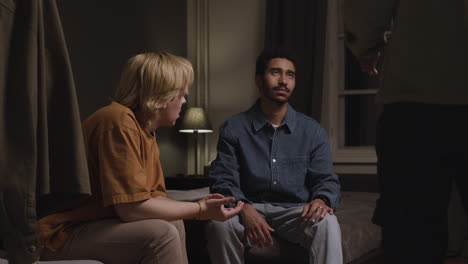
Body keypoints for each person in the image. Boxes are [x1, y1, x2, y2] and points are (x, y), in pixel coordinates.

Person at [36, 52, 244, 264]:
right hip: (58, 235)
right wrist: (199, 210)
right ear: (163, 95)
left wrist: (200, 206)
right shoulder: (118, 121)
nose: (183, 101)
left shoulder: (144, 130)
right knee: (161, 234)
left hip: (92, 225)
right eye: (181, 94)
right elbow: (131, 209)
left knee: (174, 223)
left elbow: (153, 200)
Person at [343, 1, 468, 263]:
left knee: (413, 237)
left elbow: (365, 10)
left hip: (417, 99)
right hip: (418, 102)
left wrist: (365, 46)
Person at [205, 49, 342, 264]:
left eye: (290, 75)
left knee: (328, 223)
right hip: (248, 206)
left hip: (296, 212)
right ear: (259, 80)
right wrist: (245, 208)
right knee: (219, 225)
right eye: (275, 73)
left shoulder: (313, 131)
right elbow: (223, 179)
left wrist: (322, 198)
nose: (283, 81)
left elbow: (326, 179)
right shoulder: (234, 128)